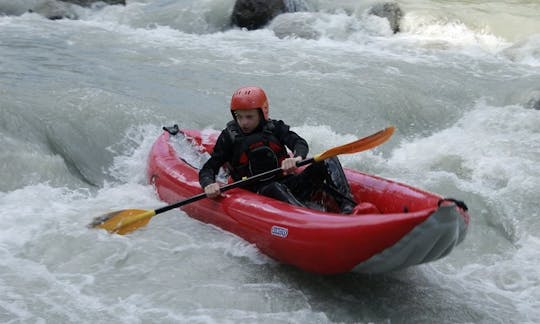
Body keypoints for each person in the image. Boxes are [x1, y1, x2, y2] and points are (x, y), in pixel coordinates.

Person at [198, 86, 359, 214]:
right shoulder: (229, 137)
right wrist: (208, 184)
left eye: (249, 117)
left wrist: (296, 158)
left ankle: (347, 206)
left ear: (263, 113)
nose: (243, 122)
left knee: (328, 158)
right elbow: (208, 169)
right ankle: (306, 216)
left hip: (289, 184)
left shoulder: (275, 128)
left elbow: (299, 143)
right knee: (273, 187)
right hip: (257, 194)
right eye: (239, 117)